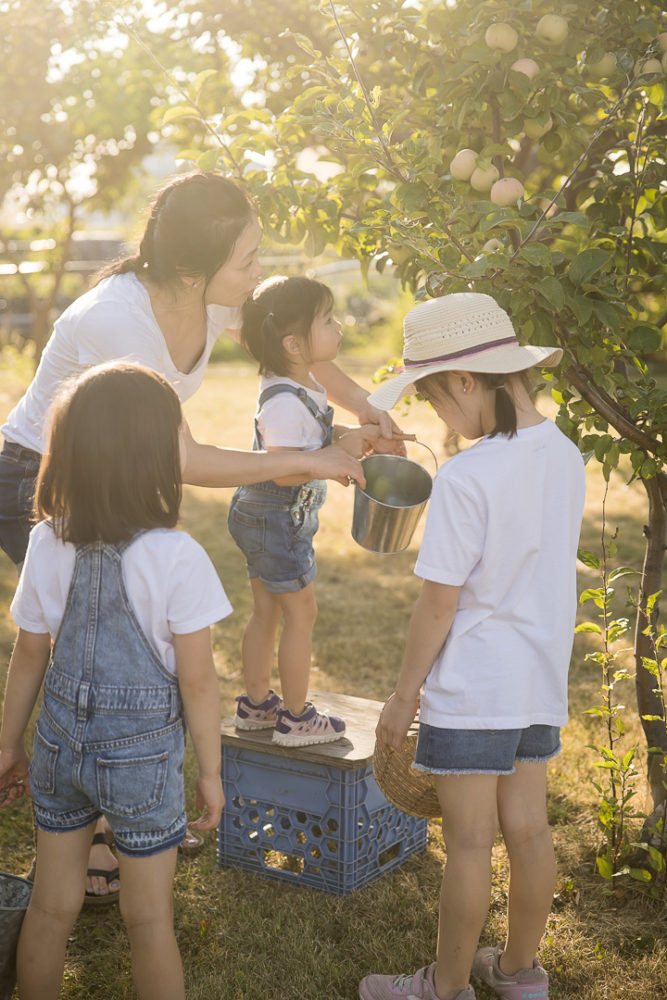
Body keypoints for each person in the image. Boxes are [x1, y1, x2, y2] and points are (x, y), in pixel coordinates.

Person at [0, 169, 398, 898]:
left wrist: (370, 411)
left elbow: (301, 352)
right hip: (43, 474)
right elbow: (179, 458)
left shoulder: (211, 300)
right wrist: (310, 455)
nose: (257, 273)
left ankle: (125, 812)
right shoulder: (120, 320)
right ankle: (90, 837)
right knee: (95, 646)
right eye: (246, 260)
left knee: (122, 643)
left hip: (113, 470)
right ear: (194, 268)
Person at [357, 293, 585, 1000]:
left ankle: (444, 987)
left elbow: (437, 603)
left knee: (466, 845)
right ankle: (519, 974)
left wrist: (402, 698)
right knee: (529, 832)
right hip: (536, 681)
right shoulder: (566, 455)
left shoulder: (465, 476)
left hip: (472, 690)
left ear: (463, 382)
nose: (437, 418)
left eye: (431, 399)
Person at [0, 362, 229, 1000]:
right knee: (149, 919)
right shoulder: (177, 556)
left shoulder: (47, 541)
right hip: (143, 762)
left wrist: (7, 743)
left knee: (50, 908)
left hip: (57, 749)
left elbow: (29, 654)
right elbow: (200, 683)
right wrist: (210, 773)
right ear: (154, 457)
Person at [228, 275, 373, 746]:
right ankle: (295, 718)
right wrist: (331, 465)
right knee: (301, 614)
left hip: (262, 517)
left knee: (266, 610)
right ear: (293, 343)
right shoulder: (284, 401)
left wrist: (355, 439)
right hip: (276, 518)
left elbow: (312, 441)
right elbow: (286, 470)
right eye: (328, 321)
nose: (340, 329)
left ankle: (255, 706)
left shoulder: (299, 383)